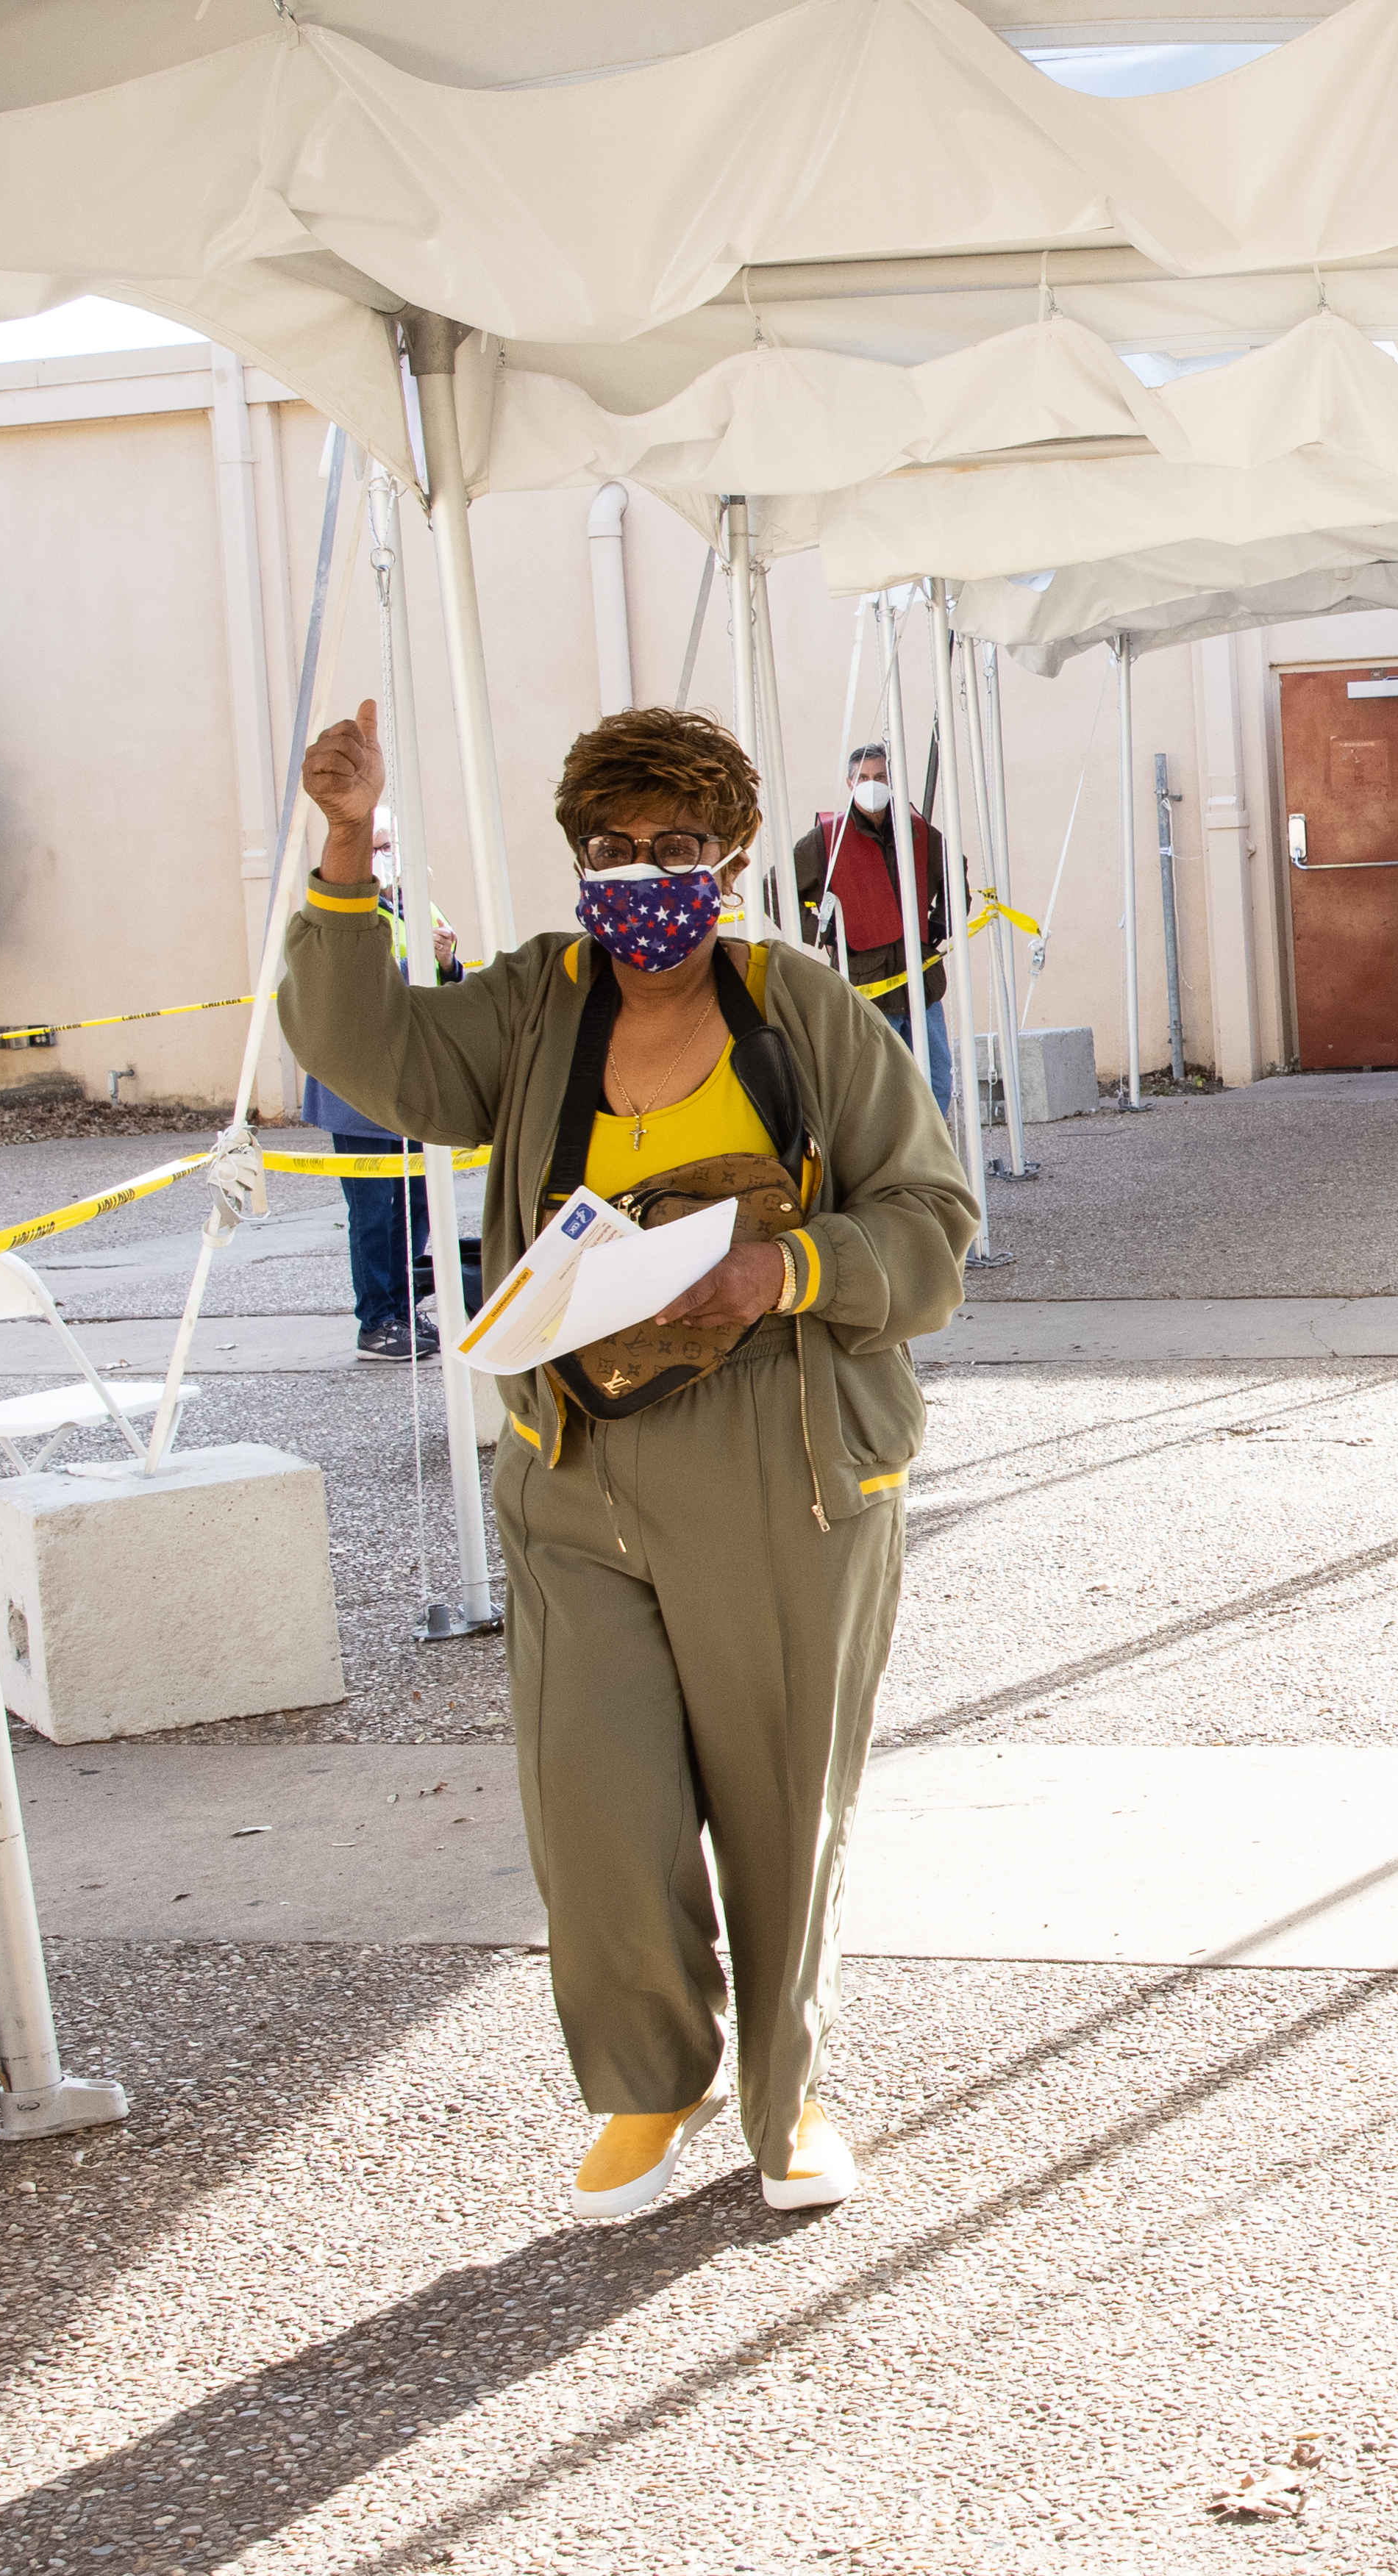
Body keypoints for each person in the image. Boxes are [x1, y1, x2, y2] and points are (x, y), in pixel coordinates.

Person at [285, 701, 977, 2221]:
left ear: (732, 859)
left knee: (783, 1804)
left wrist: (784, 1274)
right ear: (579, 860)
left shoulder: (803, 1014)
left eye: (677, 849)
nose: (644, 876)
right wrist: (346, 850)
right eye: (614, 850)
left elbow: (931, 1233)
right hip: (575, 1467)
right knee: (594, 1804)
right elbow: (368, 1051)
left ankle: (788, 2103)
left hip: (780, 1465)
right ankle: (652, 2082)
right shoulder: (537, 1007)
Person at [294, 808, 468, 1360]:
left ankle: (400, 1311)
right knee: (374, 1211)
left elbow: (441, 992)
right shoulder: (343, 914)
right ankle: (376, 1320)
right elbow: (347, 992)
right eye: (375, 847)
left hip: (409, 1084)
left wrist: (450, 963)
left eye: (390, 844)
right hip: (358, 1090)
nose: (384, 856)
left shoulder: (417, 906)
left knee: (414, 1206)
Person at [790, 745, 955, 1109]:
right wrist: (825, 932)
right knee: (877, 1089)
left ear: (892, 781)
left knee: (937, 1080)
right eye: (864, 778)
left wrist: (941, 924)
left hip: (922, 981)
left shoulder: (919, 832)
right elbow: (778, 889)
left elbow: (954, 877)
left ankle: (933, 1159)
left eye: (880, 777)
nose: (872, 785)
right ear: (850, 784)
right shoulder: (825, 840)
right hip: (866, 985)